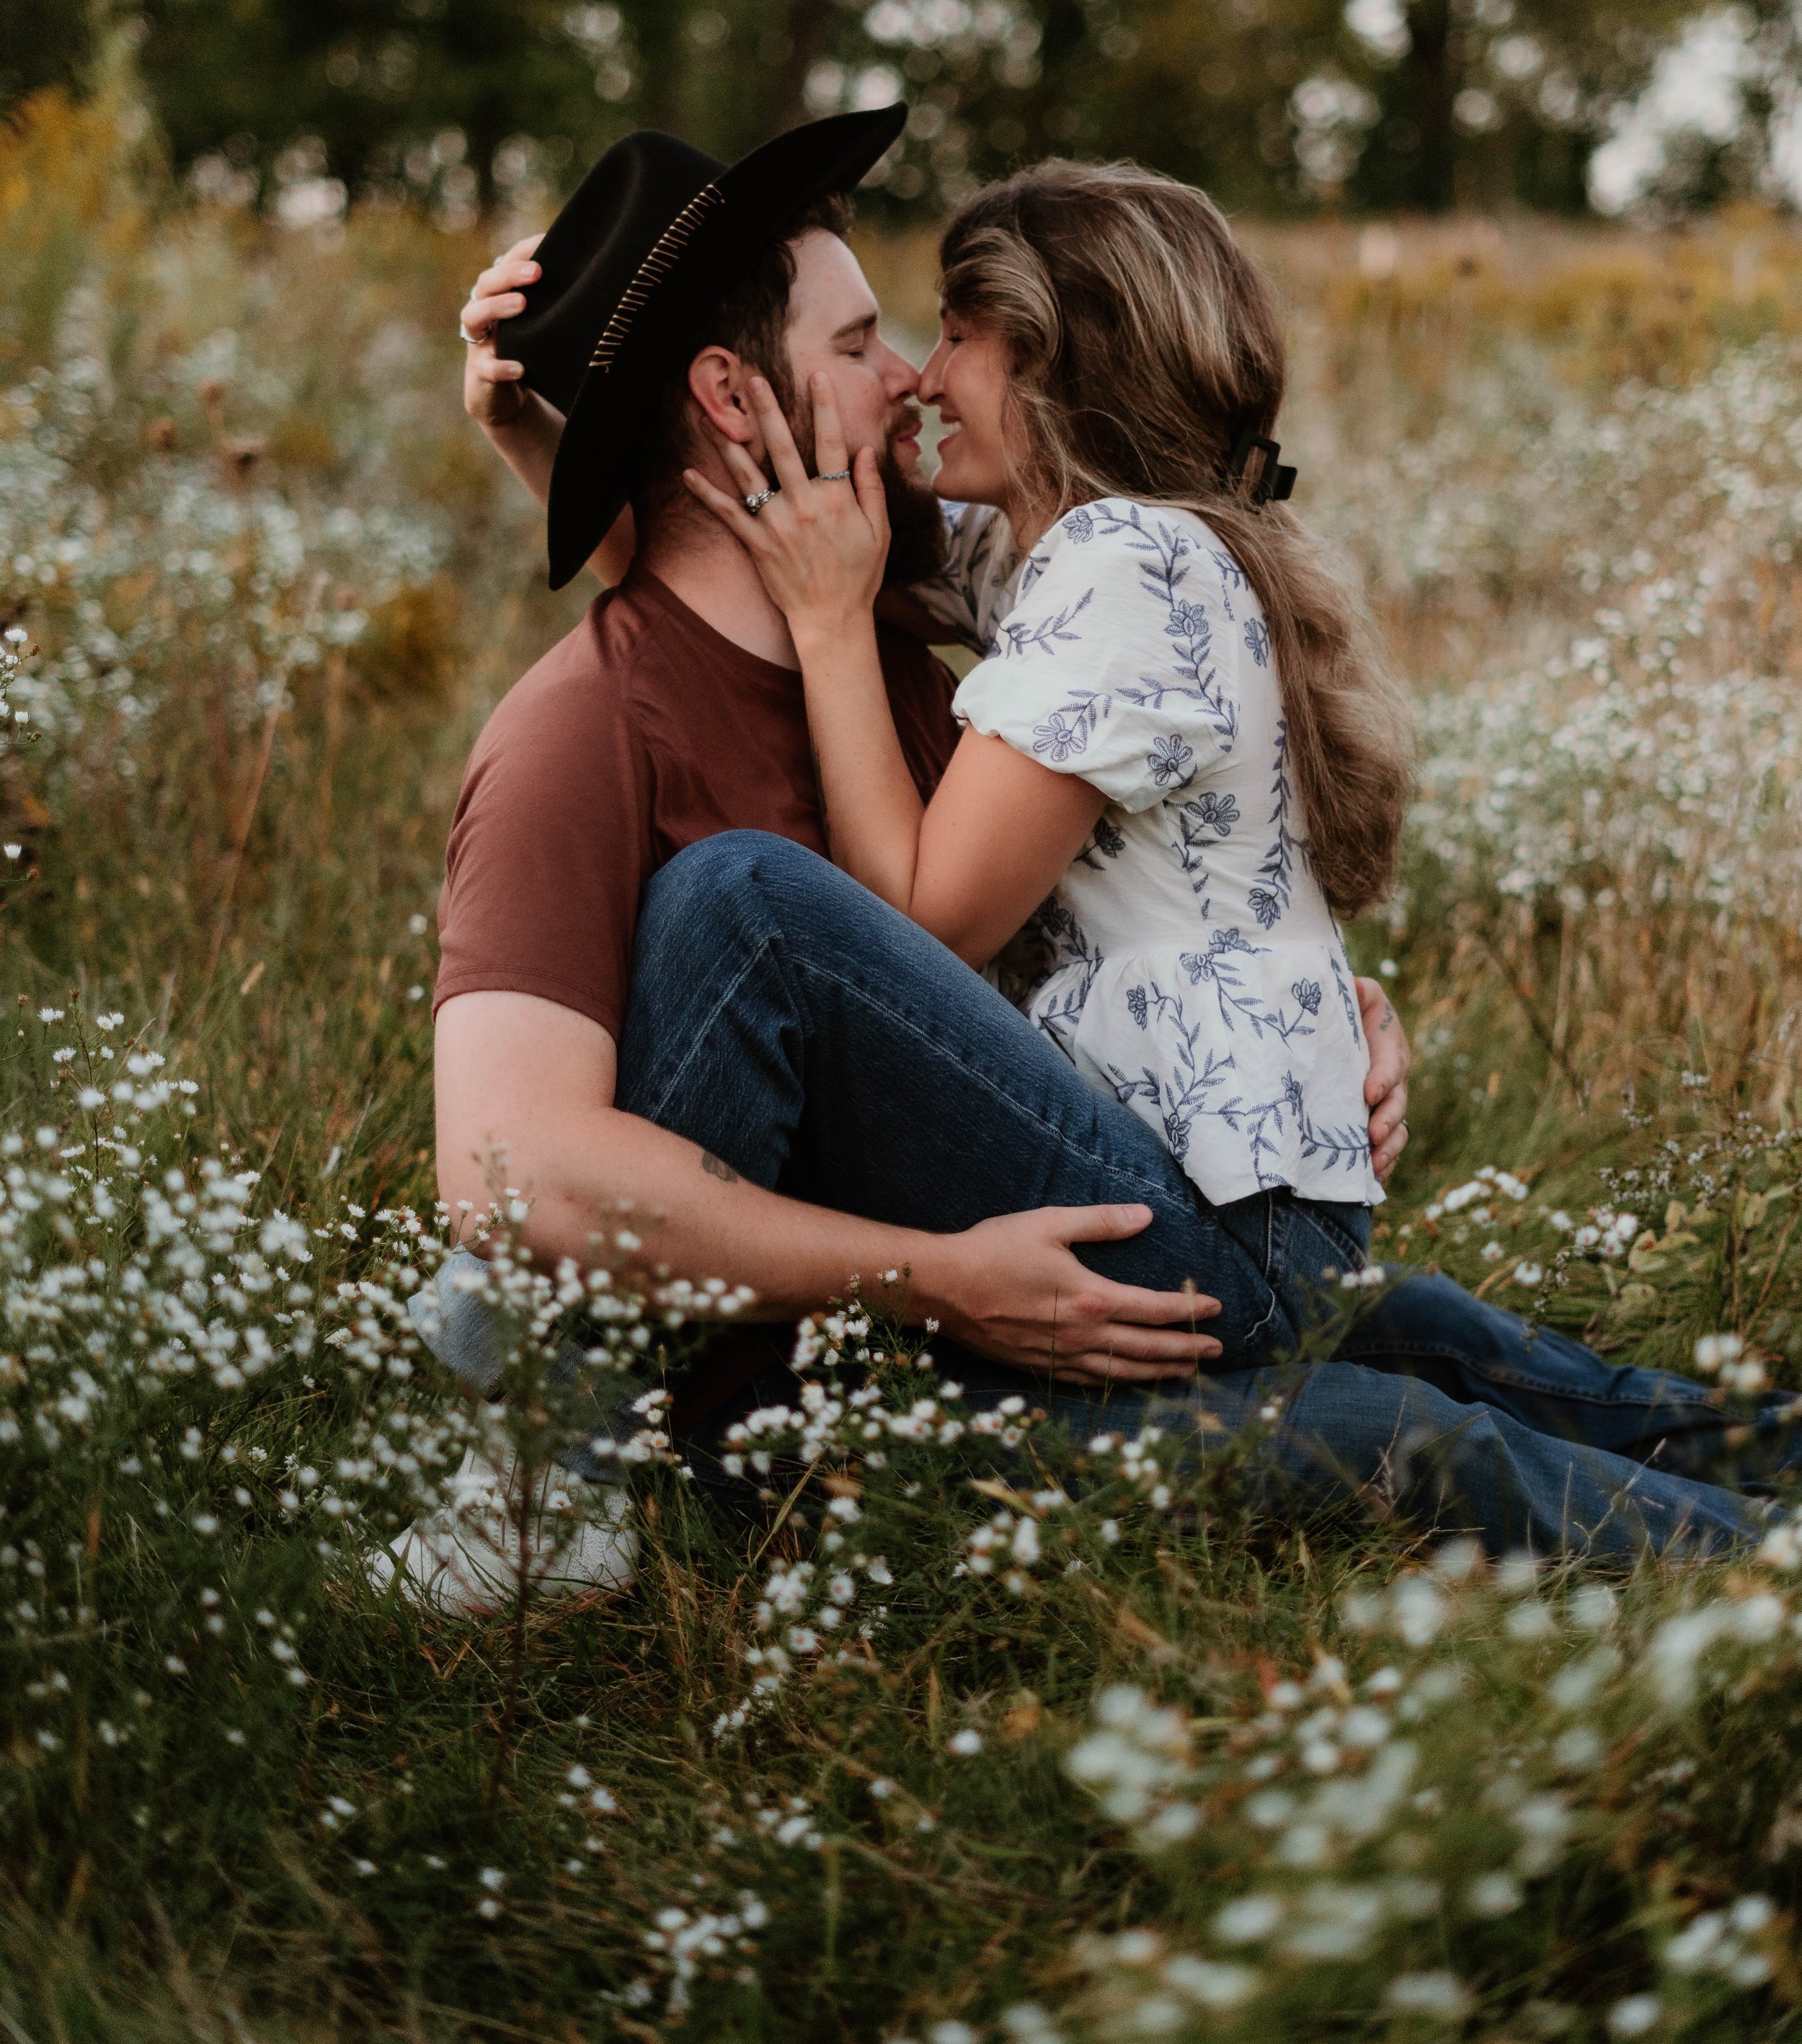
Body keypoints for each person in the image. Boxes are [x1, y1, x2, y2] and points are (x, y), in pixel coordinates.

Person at [407, 111, 1801, 1607]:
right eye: (872, 336)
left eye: (936, 334)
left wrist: (1306, 1009)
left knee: (1421, 1328)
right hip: (845, 1400)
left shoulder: (900, 628)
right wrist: (936, 1276)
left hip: (1049, 1261)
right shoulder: (583, 733)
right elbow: (513, 1178)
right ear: (734, 398)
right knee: (1401, 1423)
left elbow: (1084, 847)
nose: (906, 380)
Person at [685, 160, 1411, 1361]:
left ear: (1056, 369)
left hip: (1227, 1225)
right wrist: (531, 422)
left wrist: (827, 628)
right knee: (1444, 1362)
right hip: (1240, 1196)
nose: (922, 376)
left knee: (751, 902)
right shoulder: (1066, 546)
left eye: (961, 335)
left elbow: (926, 920)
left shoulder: (1125, 558)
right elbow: (726, 541)